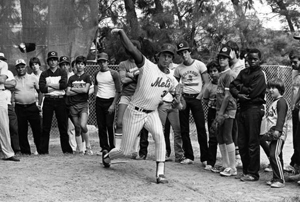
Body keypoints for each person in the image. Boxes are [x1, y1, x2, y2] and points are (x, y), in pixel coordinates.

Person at [103, 28, 182, 184]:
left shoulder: (172, 80)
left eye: (169, 56)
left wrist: (178, 100)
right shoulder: (147, 66)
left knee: (160, 136)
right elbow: (132, 49)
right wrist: (121, 33)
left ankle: (160, 174)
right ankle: (107, 157)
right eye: (164, 55)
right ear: (158, 56)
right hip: (135, 112)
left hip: (152, 113)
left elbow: (181, 105)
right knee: (125, 151)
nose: (166, 59)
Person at [229, 48, 267, 181]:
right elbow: (232, 85)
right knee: (242, 142)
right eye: (250, 59)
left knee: (252, 142)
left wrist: (241, 88)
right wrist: (239, 93)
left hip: (254, 109)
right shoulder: (243, 72)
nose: (252, 61)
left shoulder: (260, 74)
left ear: (260, 60)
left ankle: (253, 173)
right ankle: (246, 171)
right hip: (242, 108)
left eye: (255, 59)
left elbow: (252, 93)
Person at [174, 41, 210, 165]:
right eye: (181, 53)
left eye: (185, 52)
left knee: (201, 127)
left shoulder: (199, 65)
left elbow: (207, 82)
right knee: (184, 128)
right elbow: (176, 84)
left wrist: (200, 96)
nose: (184, 55)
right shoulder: (179, 68)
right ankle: (189, 156)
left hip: (196, 97)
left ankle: (205, 158)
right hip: (184, 98)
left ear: (189, 52)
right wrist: (178, 97)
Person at [116, 40, 149, 160]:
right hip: (126, 95)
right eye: (130, 49)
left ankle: (134, 151)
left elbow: (145, 79)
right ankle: (117, 149)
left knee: (138, 124)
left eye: (134, 49)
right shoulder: (123, 64)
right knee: (119, 123)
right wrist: (135, 76)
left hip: (138, 97)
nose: (131, 51)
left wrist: (130, 75)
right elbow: (123, 80)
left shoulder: (143, 62)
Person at [39, 51, 73, 154]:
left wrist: (50, 85)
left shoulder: (62, 72)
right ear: (48, 61)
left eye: (54, 60)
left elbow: (63, 85)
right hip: (48, 100)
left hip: (60, 100)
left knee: (63, 126)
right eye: (51, 60)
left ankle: (66, 150)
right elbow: (42, 88)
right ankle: (43, 151)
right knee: (46, 127)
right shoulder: (44, 74)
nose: (53, 62)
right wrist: (56, 85)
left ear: (57, 61)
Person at [211, 46, 237, 176]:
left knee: (227, 136)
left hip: (228, 109)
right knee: (220, 136)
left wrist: (220, 113)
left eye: (224, 58)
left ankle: (233, 167)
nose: (222, 60)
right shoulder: (221, 74)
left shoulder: (230, 74)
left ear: (229, 60)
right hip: (220, 109)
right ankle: (225, 164)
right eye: (220, 57)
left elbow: (228, 96)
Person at [158, 62, 185, 162]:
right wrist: (158, 99)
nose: (166, 63)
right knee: (161, 130)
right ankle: (162, 154)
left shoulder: (172, 73)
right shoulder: (157, 74)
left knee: (177, 130)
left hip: (173, 105)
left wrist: (178, 98)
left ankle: (179, 155)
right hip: (163, 104)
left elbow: (178, 87)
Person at [263, 78, 288, 188]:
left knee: (274, 155)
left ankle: (280, 180)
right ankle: (275, 178)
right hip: (273, 133)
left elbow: (281, 118)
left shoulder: (281, 102)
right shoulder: (275, 102)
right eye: (270, 88)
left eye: (274, 88)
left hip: (278, 133)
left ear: (280, 89)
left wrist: (278, 130)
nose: (271, 90)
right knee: (276, 155)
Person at [94, 52, 121, 152]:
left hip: (110, 100)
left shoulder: (114, 74)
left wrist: (113, 104)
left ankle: (112, 146)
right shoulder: (96, 73)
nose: (102, 64)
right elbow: (96, 86)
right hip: (99, 100)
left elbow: (118, 90)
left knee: (110, 125)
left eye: (104, 62)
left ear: (107, 62)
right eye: (100, 62)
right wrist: (96, 96)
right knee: (101, 126)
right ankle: (104, 146)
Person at [66, 56, 93, 155]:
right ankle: (81, 150)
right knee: (77, 127)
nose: (80, 66)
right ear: (75, 65)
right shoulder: (71, 78)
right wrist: (79, 91)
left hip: (83, 105)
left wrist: (73, 89)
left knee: (83, 125)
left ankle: (88, 147)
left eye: (82, 64)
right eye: (78, 63)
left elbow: (86, 90)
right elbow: (68, 93)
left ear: (85, 66)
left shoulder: (87, 77)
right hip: (73, 106)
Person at [14, 59, 41, 155]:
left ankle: (40, 150)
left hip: (32, 106)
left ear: (25, 67)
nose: (20, 69)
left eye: (22, 67)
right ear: (16, 68)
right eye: (18, 67)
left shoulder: (32, 78)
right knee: (21, 130)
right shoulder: (13, 80)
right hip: (19, 108)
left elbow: (39, 91)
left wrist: (39, 104)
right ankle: (26, 151)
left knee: (37, 129)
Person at [0, 53, 20, 161]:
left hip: (1, 94)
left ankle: (8, 153)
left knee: (4, 126)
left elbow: (2, 80)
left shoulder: (3, 64)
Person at [203, 61, 220, 171]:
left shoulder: (223, 83)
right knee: (212, 137)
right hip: (212, 112)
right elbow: (205, 100)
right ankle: (211, 161)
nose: (213, 73)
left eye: (215, 71)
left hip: (223, 113)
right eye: (211, 72)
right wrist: (212, 104)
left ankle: (228, 162)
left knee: (224, 137)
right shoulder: (208, 86)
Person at [285, 50, 300, 174]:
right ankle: (295, 164)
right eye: (291, 62)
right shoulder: (295, 73)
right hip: (295, 109)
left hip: (298, 108)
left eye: (295, 62)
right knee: (295, 138)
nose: (292, 65)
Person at [60, 57, 78, 153]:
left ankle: (82, 147)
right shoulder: (59, 76)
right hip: (63, 103)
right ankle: (73, 148)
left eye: (66, 64)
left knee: (78, 125)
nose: (64, 66)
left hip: (73, 103)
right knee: (69, 127)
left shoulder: (72, 76)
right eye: (62, 64)